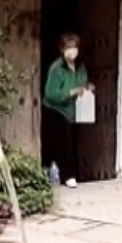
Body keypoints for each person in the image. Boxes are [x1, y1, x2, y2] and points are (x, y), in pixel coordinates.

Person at [43, 33, 93, 188]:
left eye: (74, 48)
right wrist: (71, 92)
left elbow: (82, 83)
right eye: (68, 48)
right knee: (61, 144)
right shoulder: (56, 68)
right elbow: (50, 94)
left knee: (73, 142)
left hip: (73, 110)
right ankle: (67, 176)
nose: (72, 52)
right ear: (62, 50)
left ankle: (70, 174)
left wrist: (87, 87)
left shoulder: (80, 66)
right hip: (55, 110)